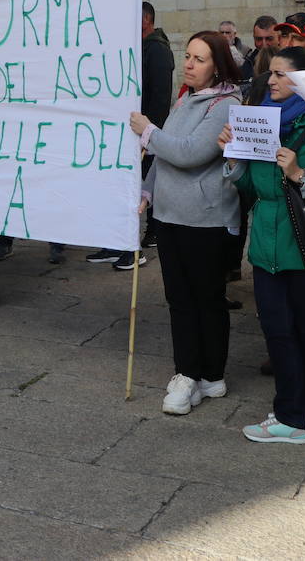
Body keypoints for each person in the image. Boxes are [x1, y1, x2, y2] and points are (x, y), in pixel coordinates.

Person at [217, 45, 305, 444]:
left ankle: (293, 416)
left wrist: (300, 173)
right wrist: (232, 159)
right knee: (278, 330)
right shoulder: (262, 120)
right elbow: (252, 186)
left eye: (281, 74)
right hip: (266, 244)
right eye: (271, 74)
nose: (271, 80)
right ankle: (300, 410)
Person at [131, 30, 242, 416]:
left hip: (205, 218)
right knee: (181, 298)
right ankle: (198, 372)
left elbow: (191, 153)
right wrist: (147, 190)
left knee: (205, 299)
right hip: (170, 215)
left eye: (199, 59)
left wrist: (147, 130)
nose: (190, 64)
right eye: (189, 56)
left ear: (217, 66)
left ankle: (197, 373)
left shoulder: (227, 104)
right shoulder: (186, 98)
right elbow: (163, 157)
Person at [88, 1, 171, 267]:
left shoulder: (156, 50)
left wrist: (148, 135)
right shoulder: (139, 48)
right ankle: (114, 243)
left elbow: (158, 97)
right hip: (129, 131)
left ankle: (130, 250)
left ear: (145, 19)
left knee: (135, 189)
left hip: (142, 134)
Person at [241, 15, 278, 81]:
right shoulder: (248, 63)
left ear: (278, 38)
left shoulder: (289, 62)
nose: (264, 44)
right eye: (259, 39)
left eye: (269, 39)